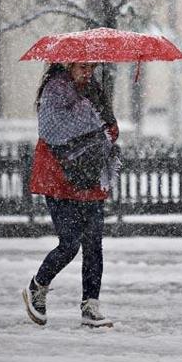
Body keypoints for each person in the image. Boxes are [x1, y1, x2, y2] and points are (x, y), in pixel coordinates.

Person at [22, 62, 120, 328]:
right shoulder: (54, 91)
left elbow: (111, 129)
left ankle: (91, 305)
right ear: (68, 65)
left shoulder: (95, 91)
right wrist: (89, 121)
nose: (87, 72)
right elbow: (54, 132)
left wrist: (103, 129)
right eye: (82, 67)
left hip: (90, 177)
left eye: (92, 67)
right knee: (69, 244)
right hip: (60, 178)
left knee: (93, 246)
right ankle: (37, 287)